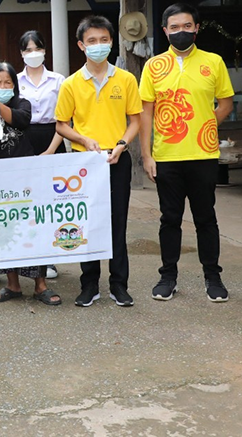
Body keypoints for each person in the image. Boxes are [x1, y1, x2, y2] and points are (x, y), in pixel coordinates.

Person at [139, 3, 235, 302]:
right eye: (175, 27)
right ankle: (168, 276)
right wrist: (147, 155)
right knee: (170, 219)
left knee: (206, 217)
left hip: (203, 155)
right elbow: (145, 113)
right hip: (166, 156)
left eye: (187, 26)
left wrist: (204, 125)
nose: (181, 31)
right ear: (165, 30)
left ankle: (213, 277)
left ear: (196, 28)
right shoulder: (153, 66)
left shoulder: (214, 62)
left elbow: (226, 104)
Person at [55, 16, 142, 308]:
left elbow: (135, 121)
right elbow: (61, 125)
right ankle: (89, 285)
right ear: (81, 45)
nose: (98, 46)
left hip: (118, 158)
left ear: (111, 42)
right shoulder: (71, 84)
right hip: (83, 163)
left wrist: (121, 145)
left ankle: (119, 285)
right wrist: (84, 141)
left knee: (118, 222)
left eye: (104, 40)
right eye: (91, 41)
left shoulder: (126, 79)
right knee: (87, 223)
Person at [0, 62, 60, 306]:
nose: (2, 87)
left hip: (26, 179)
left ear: (15, 85)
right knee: (4, 230)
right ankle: (12, 284)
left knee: (34, 227)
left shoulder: (22, 104)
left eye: (7, 83)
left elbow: (21, 121)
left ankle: (40, 285)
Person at [16, 30, 66, 281]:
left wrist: (50, 150)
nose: (33, 53)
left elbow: (65, 119)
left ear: (45, 50)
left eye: (37, 48)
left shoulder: (58, 80)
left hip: (53, 138)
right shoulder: (14, 81)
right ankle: (27, 256)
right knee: (26, 202)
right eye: (27, 49)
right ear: (21, 53)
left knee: (51, 203)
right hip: (23, 140)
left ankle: (51, 259)